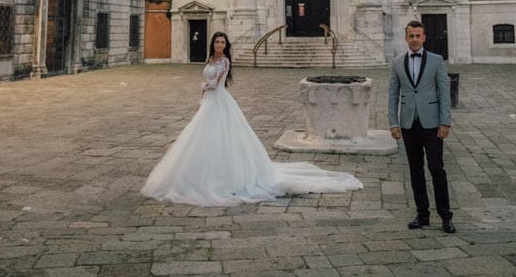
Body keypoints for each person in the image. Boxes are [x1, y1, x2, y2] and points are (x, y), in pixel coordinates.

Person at [140, 32, 362, 206]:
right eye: (217, 42)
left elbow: (216, 83)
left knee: (221, 135)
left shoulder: (224, 62)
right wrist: (201, 96)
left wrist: (204, 87)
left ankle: (225, 175)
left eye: (222, 42)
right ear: (213, 44)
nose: (220, 45)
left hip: (218, 99)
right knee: (205, 137)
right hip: (210, 102)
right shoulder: (210, 60)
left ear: (226, 45)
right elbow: (209, 82)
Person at [388, 20, 455, 233]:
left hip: (432, 123)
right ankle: (422, 214)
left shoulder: (436, 61)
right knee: (415, 170)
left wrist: (445, 122)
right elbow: (392, 94)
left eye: (418, 36)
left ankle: (445, 216)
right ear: (406, 38)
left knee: (437, 169)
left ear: (424, 37)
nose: (415, 39)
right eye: (411, 36)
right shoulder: (397, 62)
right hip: (408, 124)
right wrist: (393, 122)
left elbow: (444, 92)